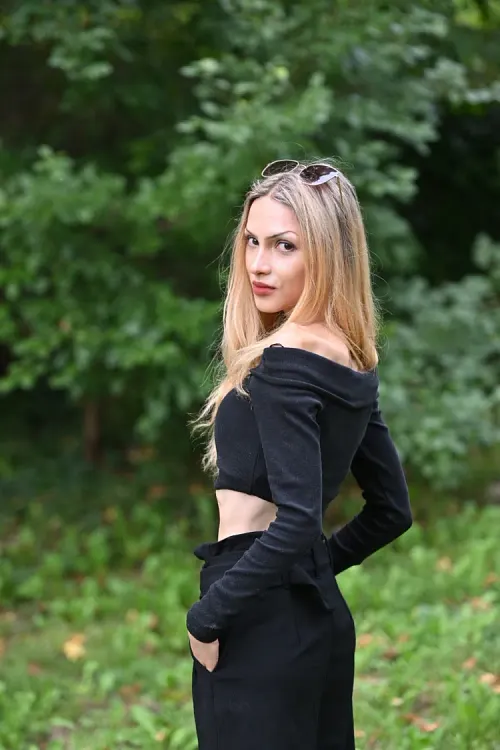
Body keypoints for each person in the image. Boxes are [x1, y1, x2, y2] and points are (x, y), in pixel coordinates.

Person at [186, 158, 413, 750]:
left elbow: (296, 520)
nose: (258, 264)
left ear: (328, 255)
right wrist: (310, 570)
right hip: (315, 615)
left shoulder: (283, 361)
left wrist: (207, 616)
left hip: (254, 618)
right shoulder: (350, 359)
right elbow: (391, 511)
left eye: (284, 246)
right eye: (252, 241)